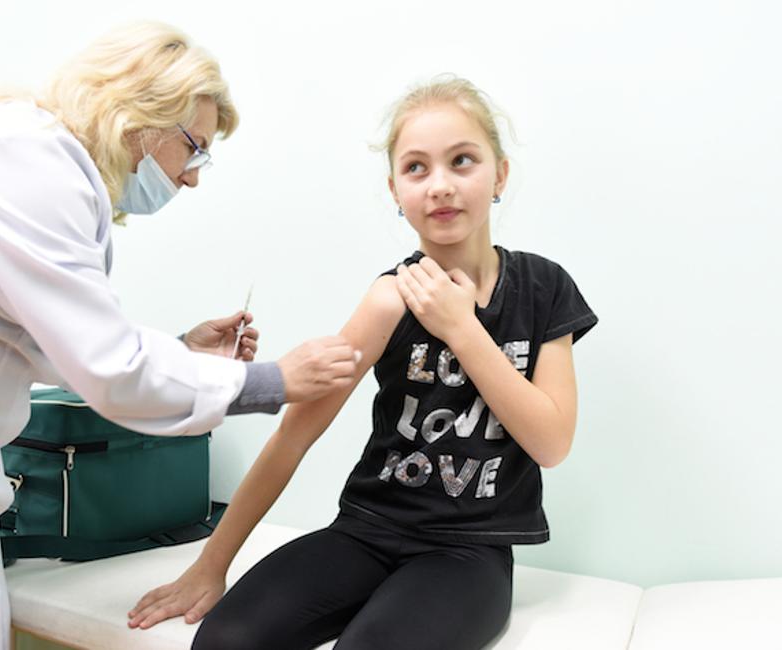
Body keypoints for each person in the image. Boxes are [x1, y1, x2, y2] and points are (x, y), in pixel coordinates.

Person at [0, 21, 360, 650]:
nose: (192, 178)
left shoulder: (34, 160)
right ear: (140, 114)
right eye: (195, 149)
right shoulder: (26, 159)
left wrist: (183, 350)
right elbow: (107, 366)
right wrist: (273, 381)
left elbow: (53, 340)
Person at [128, 76, 598, 649]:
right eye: (417, 168)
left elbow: (551, 443)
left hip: (468, 552)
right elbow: (295, 436)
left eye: (462, 161)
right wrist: (210, 565)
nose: (440, 186)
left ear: (499, 174)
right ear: (396, 191)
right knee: (226, 642)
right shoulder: (387, 300)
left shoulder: (544, 289)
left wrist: (460, 327)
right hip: (365, 532)